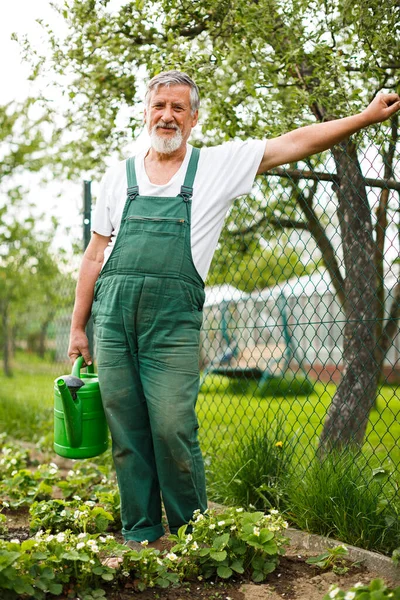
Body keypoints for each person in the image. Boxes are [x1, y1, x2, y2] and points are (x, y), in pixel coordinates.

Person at [68, 71, 400, 557]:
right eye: (159, 105)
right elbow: (95, 256)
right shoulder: (119, 176)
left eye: (178, 108)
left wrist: (366, 117)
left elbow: (291, 143)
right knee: (126, 427)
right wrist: (79, 327)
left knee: (171, 425)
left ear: (194, 117)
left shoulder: (215, 166)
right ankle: (139, 531)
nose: (167, 115)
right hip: (112, 321)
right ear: (145, 111)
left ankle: (192, 535)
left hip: (173, 324)